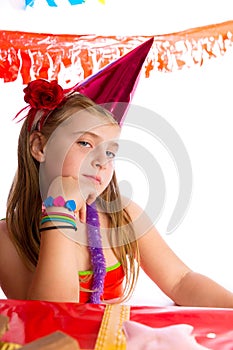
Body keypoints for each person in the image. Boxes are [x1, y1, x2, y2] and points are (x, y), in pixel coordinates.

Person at [1, 40, 233, 307]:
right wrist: (59, 208)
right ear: (40, 147)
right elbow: (53, 315)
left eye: (110, 152)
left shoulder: (123, 215)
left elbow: (180, 281)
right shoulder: (7, 239)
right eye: (85, 143)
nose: (101, 161)